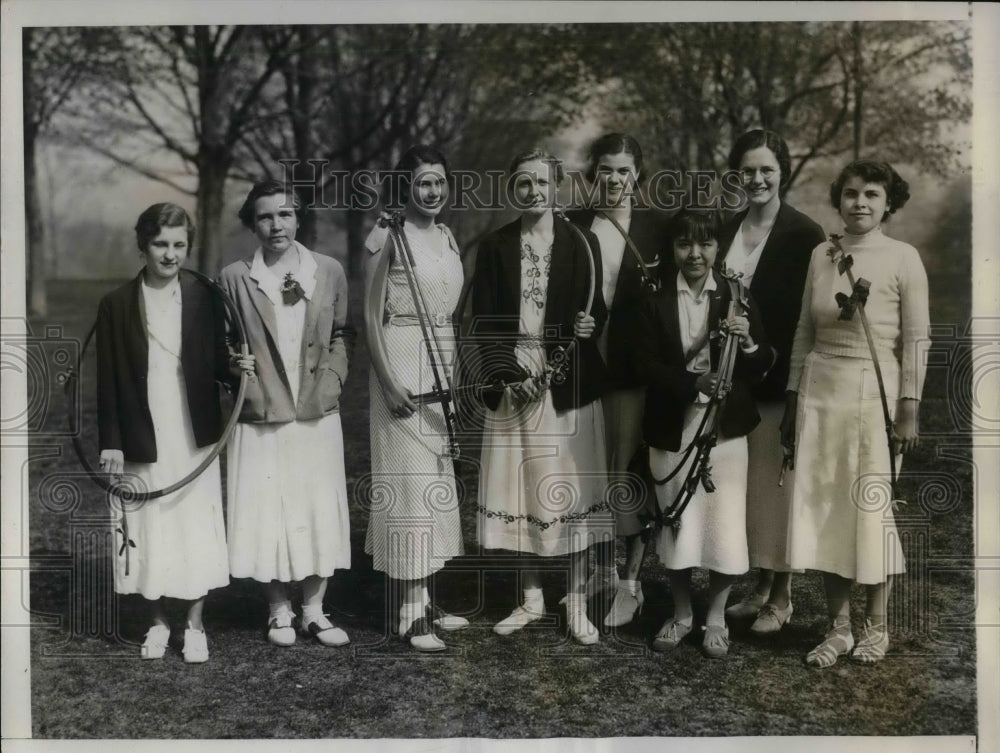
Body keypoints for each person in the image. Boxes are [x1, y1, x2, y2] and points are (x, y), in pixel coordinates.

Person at [782, 160, 929, 666]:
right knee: (827, 509)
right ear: (838, 200)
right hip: (821, 390)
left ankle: (877, 626)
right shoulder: (823, 254)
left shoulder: (902, 258)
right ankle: (839, 627)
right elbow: (803, 329)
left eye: (871, 194)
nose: (859, 203)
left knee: (870, 510)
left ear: (889, 203)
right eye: (850, 194)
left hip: (876, 394)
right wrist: (794, 396)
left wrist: (909, 407)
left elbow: (915, 339)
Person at [97, 202, 250, 663]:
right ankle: (159, 622)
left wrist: (233, 367)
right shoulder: (117, 304)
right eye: (161, 244)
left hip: (192, 427)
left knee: (194, 521)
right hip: (142, 427)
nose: (170, 254)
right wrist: (112, 440)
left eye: (179, 245)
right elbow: (107, 379)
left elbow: (212, 360)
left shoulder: (203, 296)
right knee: (150, 522)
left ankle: (196, 624)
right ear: (142, 245)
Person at [472, 149, 612, 645]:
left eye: (543, 183)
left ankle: (575, 599)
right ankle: (531, 596)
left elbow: (597, 310)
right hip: (516, 384)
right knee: (523, 487)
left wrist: (592, 326)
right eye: (524, 183)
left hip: (567, 380)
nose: (534, 192)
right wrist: (510, 375)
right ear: (514, 189)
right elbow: (482, 321)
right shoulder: (495, 246)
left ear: (558, 188)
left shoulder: (582, 241)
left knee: (569, 485)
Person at [219, 181, 354, 648]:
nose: (276, 225)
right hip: (262, 413)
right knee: (267, 511)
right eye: (264, 216)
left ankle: (315, 609)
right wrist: (235, 368)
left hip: (316, 408)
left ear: (299, 219)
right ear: (252, 223)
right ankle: (279, 610)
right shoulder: (235, 277)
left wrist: (333, 379)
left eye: (285, 214)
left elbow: (342, 333)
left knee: (317, 507)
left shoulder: (328, 270)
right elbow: (220, 344)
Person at [633, 208, 771, 658]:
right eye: (684, 244)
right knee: (676, 523)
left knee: (722, 524)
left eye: (706, 244)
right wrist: (693, 382)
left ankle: (714, 616)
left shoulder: (737, 295)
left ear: (717, 247)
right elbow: (640, 362)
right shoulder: (652, 297)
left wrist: (747, 340)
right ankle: (680, 614)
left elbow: (763, 362)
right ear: (672, 248)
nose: (695, 254)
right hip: (672, 425)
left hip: (725, 431)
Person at [718, 130, 826, 635]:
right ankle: (759, 586)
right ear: (736, 175)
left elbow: (807, 319)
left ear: (782, 172)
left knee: (779, 486)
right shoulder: (727, 230)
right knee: (751, 488)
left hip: (780, 376)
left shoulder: (805, 235)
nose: (756, 179)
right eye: (747, 170)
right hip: (731, 380)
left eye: (766, 170)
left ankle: (781, 598)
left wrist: (796, 385)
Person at [363, 146, 470, 652]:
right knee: (408, 484)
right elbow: (368, 316)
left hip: (440, 358)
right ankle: (407, 612)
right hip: (401, 360)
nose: (433, 192)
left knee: (434, 482)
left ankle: (424, 598)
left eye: (439, 183)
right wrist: (387, 381)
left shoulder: (447, 236)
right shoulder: (387, 235)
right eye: (423, 183)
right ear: (405, 185)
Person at [566, 133, 668, 627]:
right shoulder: (573, 227)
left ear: (638, 177)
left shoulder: (657, 231)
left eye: (624, 171)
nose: (614, 180)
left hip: (636, 367)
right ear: (593, 175)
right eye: (605, 170)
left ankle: (631, 581)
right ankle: (597, 568)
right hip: (586, 366)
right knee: (591, 469)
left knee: (631, 468)